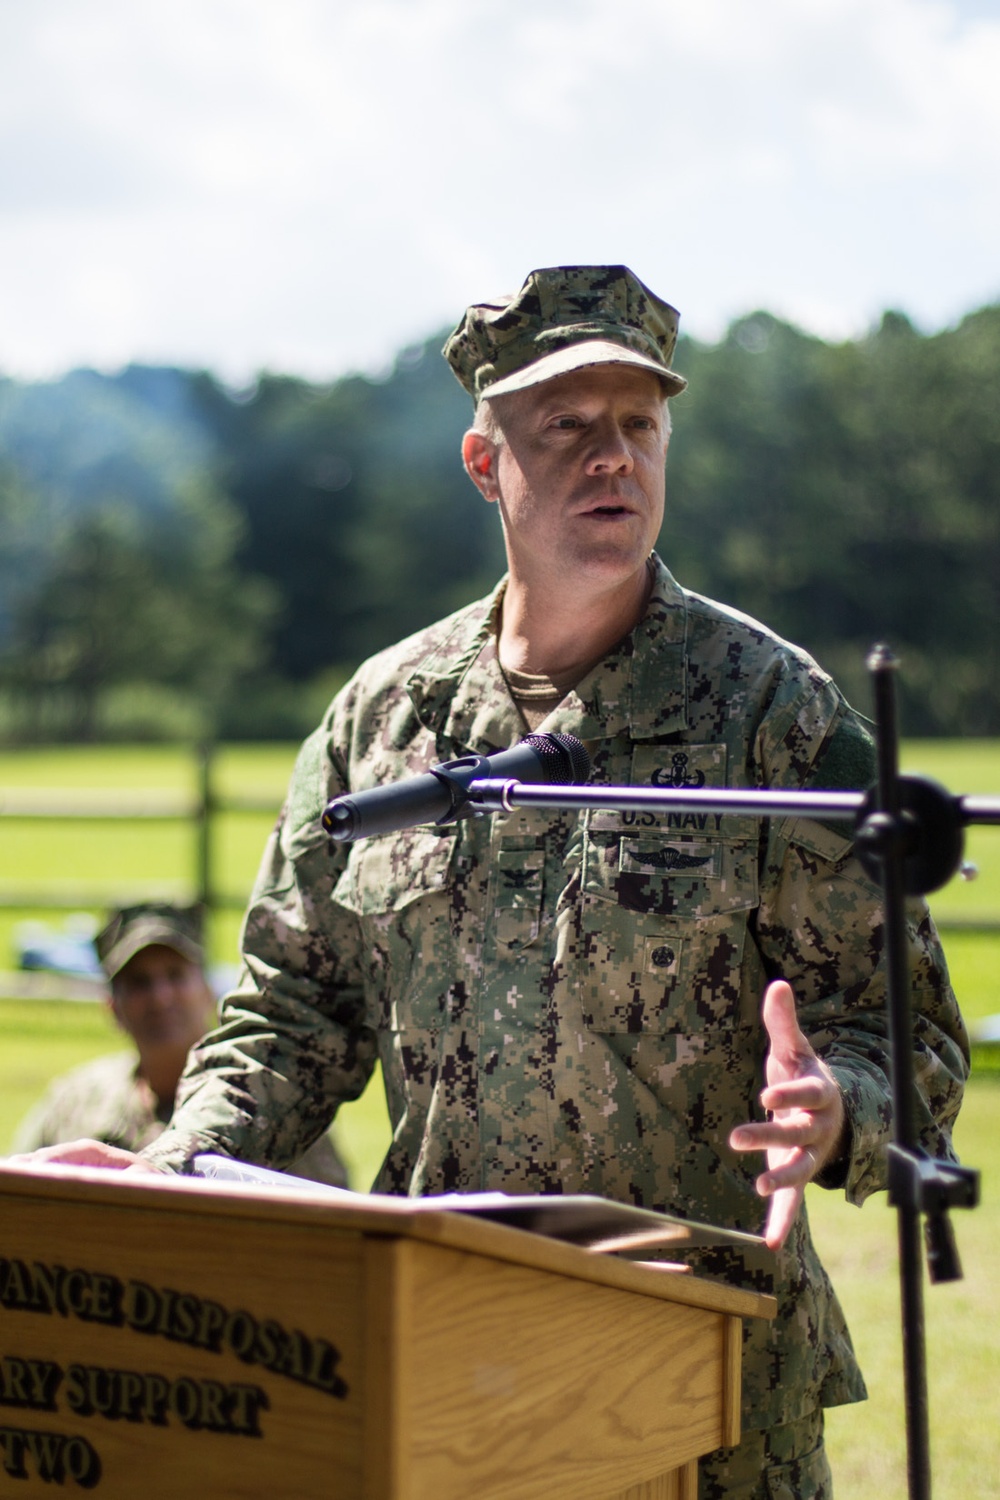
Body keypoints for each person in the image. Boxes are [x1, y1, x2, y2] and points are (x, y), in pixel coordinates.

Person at [18, 267, 968, 1498]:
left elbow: (913, 1037)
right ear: (485, 464)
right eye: (566, 427)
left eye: (638, 423)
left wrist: (832, 1103)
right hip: (449, 1348)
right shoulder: (385, 719)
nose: (611, 457)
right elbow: (288, 1013)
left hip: (708, 1365)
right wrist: (177, 1167)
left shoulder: (771, 715)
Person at [11, 901, 349, 1188]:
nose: (160, 997)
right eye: (139, 982)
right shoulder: (76, 1103)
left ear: (208, 991)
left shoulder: (269, 1103)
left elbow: (330, 1225)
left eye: (175, 975)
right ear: (112, 1007)